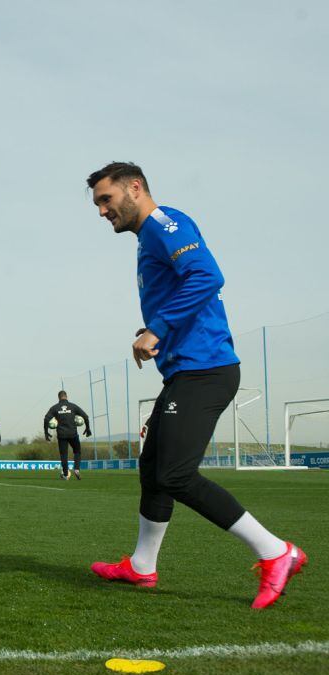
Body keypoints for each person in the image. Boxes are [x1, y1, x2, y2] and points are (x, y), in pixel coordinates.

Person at [86, 161, 306, 609]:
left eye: (107, 200)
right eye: (97, 204)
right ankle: (142, 566)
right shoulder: (150, 236)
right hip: (186, 370)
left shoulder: (165, 223)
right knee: (152, 469)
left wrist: (159, 327)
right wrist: (153, 329)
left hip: (205, 371)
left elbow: (207, 276)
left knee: (174, 474)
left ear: (135, 187)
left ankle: (276, 551)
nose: (102, 211)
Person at [43, 391, 91, 480]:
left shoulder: (55, 408)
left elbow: (46, 419)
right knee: (77, 451)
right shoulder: (73, 406)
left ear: (58, 397)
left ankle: (65, 474)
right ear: (66, 396)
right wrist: (88, 428)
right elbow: (86, 416)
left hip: (62, 435)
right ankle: (76, 469)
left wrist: (46, 432)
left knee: (64, 455)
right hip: (73, 434)